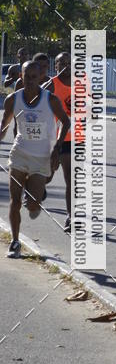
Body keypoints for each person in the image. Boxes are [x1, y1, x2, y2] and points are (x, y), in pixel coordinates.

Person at [0, 60, 70, 258]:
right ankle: (15, 242)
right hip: (20, 154)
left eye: (34, 77)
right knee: (14, 201)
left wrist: (57, 147)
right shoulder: (13, 100)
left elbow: (66, 122)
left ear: (40, 77)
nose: (30, 81)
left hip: (42, 157)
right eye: (26, 76)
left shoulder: (51, 100)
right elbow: (4, 126)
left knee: (33, 206)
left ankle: (34, 197)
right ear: (20, 76)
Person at [42, 52, 72, 232]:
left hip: (72, 139)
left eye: (70, 62)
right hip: (53, 138)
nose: (67, 66)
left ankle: (71, 217)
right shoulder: (52, 83)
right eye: (62, 63)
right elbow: (37, 97)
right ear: (56, 66)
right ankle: (35, 185)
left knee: (72, 179)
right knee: (48, 175)